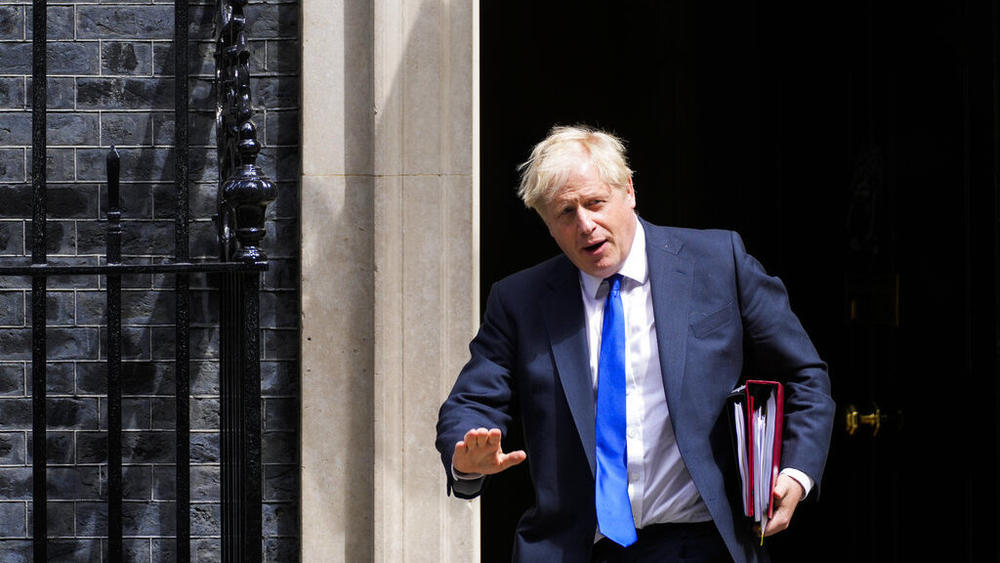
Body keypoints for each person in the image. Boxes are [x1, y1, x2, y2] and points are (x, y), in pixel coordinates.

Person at [436, 125, 834, 562]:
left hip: (701, 542)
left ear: (628, 190)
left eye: (595, 203)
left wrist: (796, 474)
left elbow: (804, 375)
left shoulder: (720, 263)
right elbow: (471, 401)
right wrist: (465, 460)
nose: (585, 225)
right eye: (565, 213)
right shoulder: (520, 301)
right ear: (547, 225)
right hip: (578, 548)